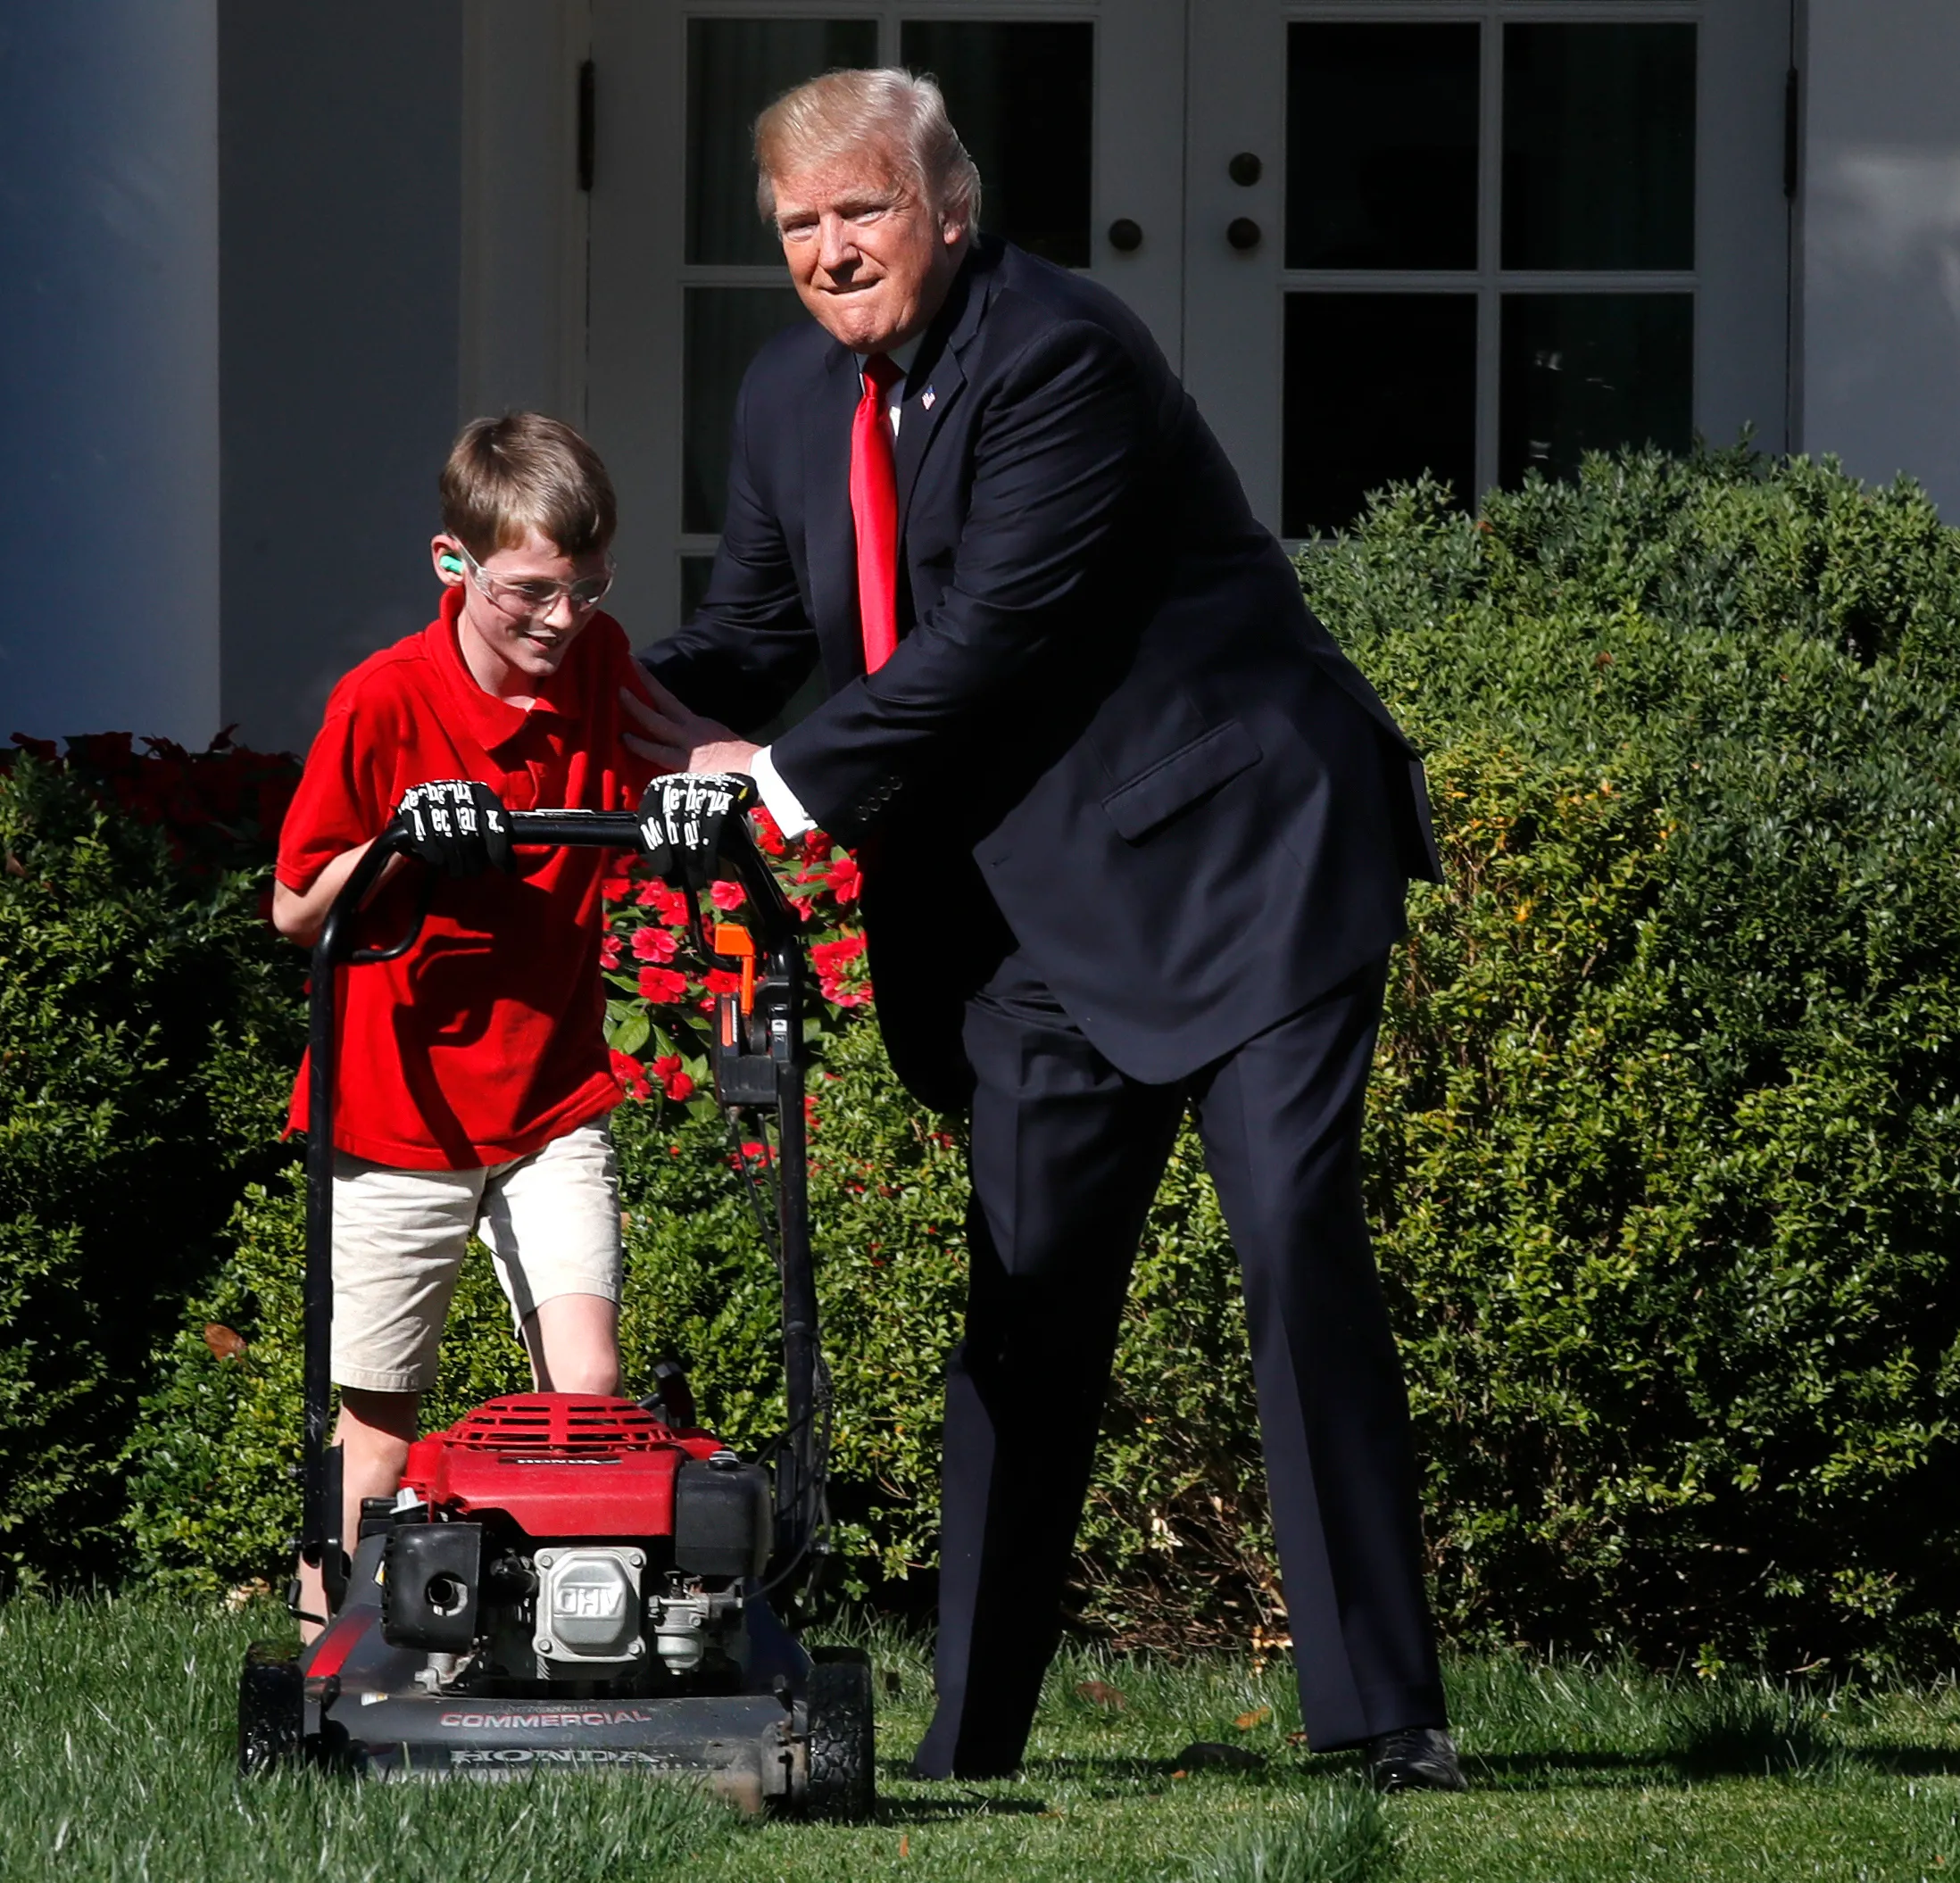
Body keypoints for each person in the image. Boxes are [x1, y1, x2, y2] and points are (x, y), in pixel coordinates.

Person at [624, 69, 1464, 1790]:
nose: (830, 249)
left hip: (1243, 864)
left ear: (950, 204)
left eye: (863, 209)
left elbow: (999, 631)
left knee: (1297, 1244)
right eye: (798, 224)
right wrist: (554, 695)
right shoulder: (791, 395)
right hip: (1026, 927)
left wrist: (777, 788)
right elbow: (755, 630)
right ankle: (969, 1743)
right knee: (1023, 1308)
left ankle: (1390, 1721)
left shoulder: (1061, 352)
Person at [272, 411, 655, 1624]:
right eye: (531, 592)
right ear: (453, 563)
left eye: (585, 590)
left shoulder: (597, 664)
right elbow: (294, 906)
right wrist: (400, 844)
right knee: (377, 1430)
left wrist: (709, 795)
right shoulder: (384, 702)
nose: (560, 620)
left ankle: (572, 1646)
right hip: (401, 1107)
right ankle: (319, 1661)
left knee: (586, 1388)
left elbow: (671, 751)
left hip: (548, 1092)